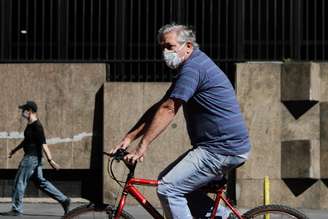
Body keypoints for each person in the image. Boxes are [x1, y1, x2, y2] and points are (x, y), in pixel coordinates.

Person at [110, 24, 251, 219]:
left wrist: (143, 145)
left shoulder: (193, 68)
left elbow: (169, 109)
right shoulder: (192, 66)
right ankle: (223, 217)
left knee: (169, 189)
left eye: (169, 46)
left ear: (188, 46)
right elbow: (161, 106)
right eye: (162, 47)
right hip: (219, 146)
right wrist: (129, 137)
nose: (165, 52)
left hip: (220, 149)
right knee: (169, 182)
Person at [0, 101, 70, 216]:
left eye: (24, 110)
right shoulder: (30, 125)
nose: (22, 113)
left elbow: (43, 144)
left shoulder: (37, 126)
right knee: (41, 182)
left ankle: (16, 209)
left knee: (19, 182)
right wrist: (14, 150)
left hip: (31, 158)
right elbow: (26, 140)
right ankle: (64, 200)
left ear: (30, 111)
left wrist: (50, 160)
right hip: (34, 158)